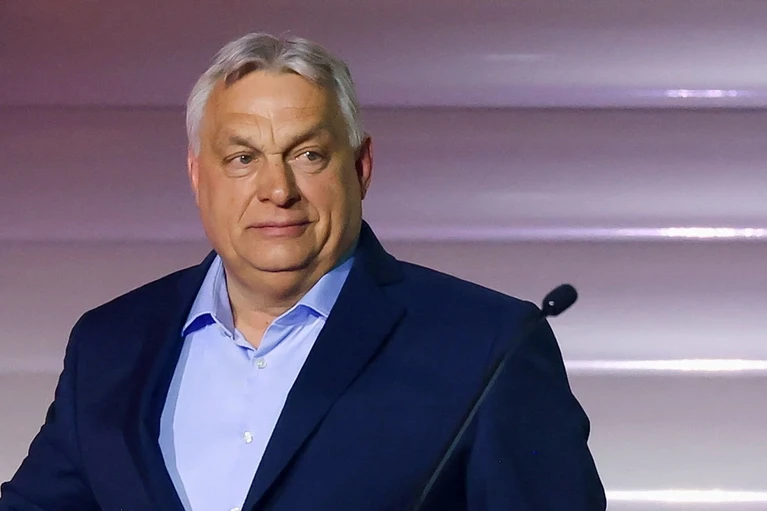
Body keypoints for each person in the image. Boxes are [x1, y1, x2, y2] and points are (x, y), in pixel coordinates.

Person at [0, 33, 605, 511]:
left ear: (361, 167)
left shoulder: (488, 347)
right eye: (243, 158)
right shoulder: (109, 344)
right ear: (197, 176)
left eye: (308, 154)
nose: (277, 189)